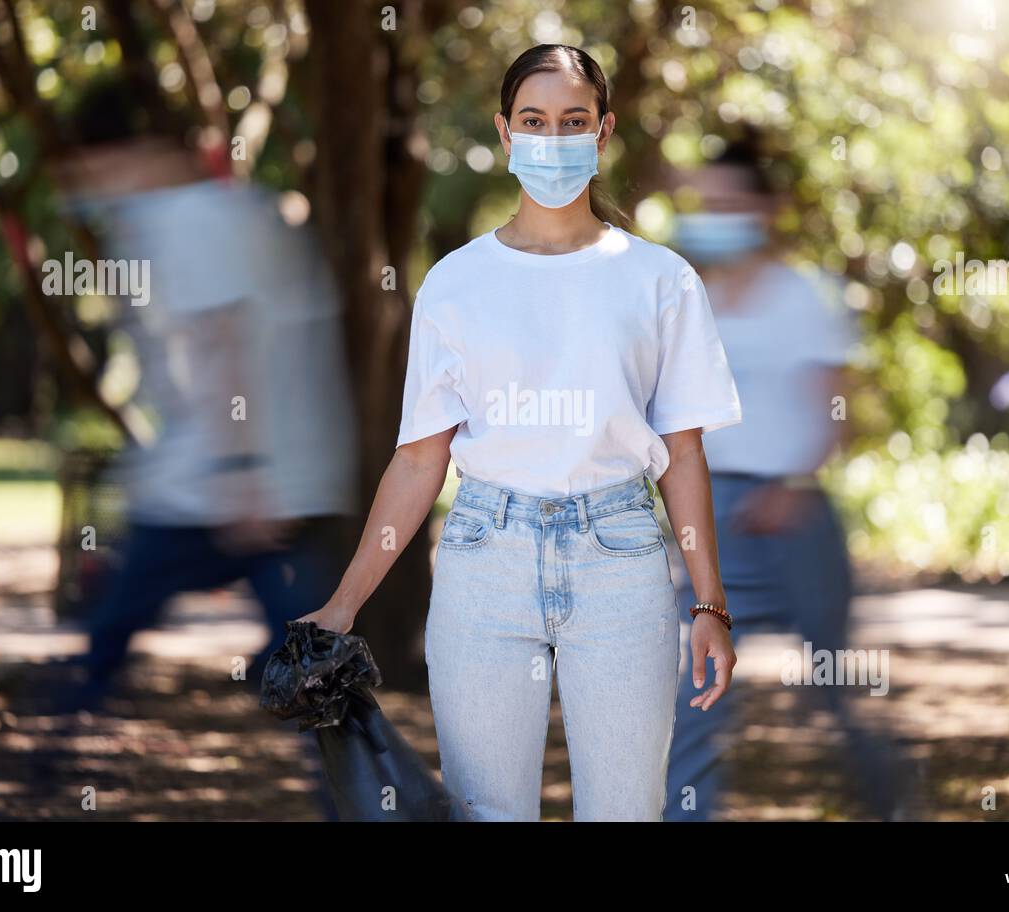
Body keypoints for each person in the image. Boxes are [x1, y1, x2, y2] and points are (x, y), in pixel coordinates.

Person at [295, 44, 742, 822]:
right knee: (486, 814)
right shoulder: (455, 284)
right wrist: (343, 603)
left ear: (603, 134)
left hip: (623, 561)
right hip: (483, 563)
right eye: (533, 121)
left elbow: (683, 454)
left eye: (574, 122)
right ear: (504, 134)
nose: (553, 138)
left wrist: (710, 604)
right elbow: (417, 461)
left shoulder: (660, 280)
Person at [50, 78, 358, 714]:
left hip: (220, 491)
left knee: (106, 643)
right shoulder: (227, 209)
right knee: (312, 673)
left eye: (93, 170)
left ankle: (33, 784)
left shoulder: (182, 219)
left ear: (132, 154)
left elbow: (226, 345)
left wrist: (240, 474)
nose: (91, 190)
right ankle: (380, 804)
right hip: (278, 482)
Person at [663, 139, 913, 820]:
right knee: (698, 698)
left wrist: (793, 486)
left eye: (730, 203)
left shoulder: (806, 295)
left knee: (832, 690)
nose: (715, 215)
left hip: (796, 520)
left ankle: (894, 806)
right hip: (718, 524)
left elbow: (838, 411)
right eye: (706, 204)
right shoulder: (689, 298)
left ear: (767, 209)